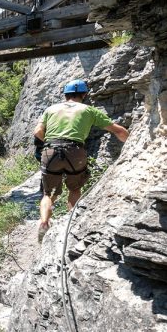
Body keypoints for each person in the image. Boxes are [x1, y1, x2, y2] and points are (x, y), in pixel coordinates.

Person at [33, 79, 128, 238]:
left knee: (48, 193)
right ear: (84, 94)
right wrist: (131, 143)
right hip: (75, 151)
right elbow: (117, 131)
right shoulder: (89, 110)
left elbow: (37, 131)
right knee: (74, 188)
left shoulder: (51, 109)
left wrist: (48, 144)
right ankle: (71, 221)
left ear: (65, 94)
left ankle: (44, 222)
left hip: (51, 150)